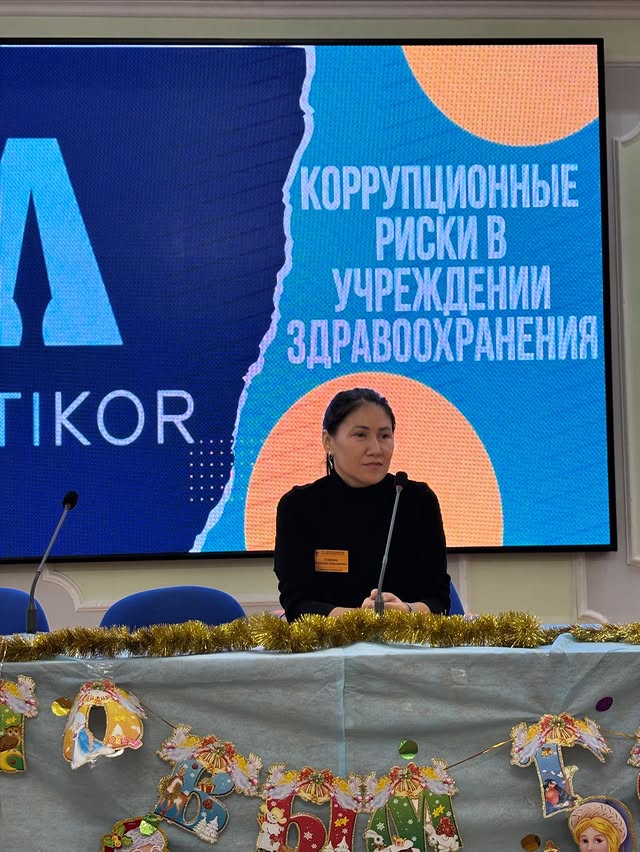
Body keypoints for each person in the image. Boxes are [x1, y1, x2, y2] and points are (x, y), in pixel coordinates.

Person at [274, 387, 451, 621]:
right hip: (328, 642)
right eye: (360, 435)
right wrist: (359, 619)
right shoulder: (298, 507)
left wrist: (405, 612)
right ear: (328, 441)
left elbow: (439, 601)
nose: (376, 449)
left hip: (406, 639)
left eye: (384, 436)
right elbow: (297, 605)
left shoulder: (416, 501)